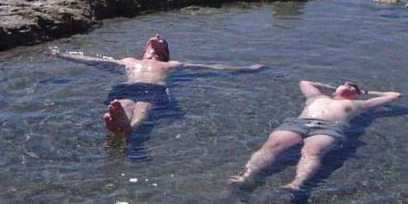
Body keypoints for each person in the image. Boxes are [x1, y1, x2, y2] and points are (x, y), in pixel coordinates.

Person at [50, 34, 263, 134]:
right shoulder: (129, 61)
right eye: (154, 37)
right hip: (129, 87)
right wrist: (62, 55)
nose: (158, 35)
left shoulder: (171, 64)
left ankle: (129, 127)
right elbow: (96, 61)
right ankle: (123, 121)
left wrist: (245, 68)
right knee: (123, 102)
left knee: (143, 108)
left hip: (154, 89)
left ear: (164, 51)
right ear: (146, 48)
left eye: (162, 39)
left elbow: (208, 67)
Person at [229, 80, 401, 194]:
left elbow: (394, 95)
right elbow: (304, 82)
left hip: (330, 127)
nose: (348, 86)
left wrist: (362, 91)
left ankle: (296, 183)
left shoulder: (359, 104)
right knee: (272, 145)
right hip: (300, 122)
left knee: (312, 151)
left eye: (352, 88)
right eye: (345, 84)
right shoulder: (316, 96)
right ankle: (246, 176)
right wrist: (334, 87)